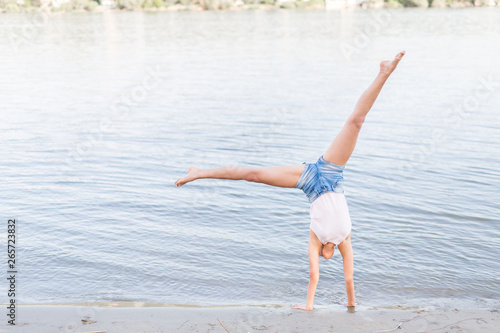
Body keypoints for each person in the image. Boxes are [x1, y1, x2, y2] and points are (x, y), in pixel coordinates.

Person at [175, 51, 406, 311]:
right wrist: (351, 304)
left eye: (322, 256)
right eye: (326, 256)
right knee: (355, 122)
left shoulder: (316, 238)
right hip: (331, 171)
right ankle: (385, 72)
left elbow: (314, 275)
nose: (325, 256)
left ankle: (197, 171)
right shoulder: (345, 238)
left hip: (308, 181)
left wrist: (309, 306)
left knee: (254, 175)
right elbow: (349, 277)